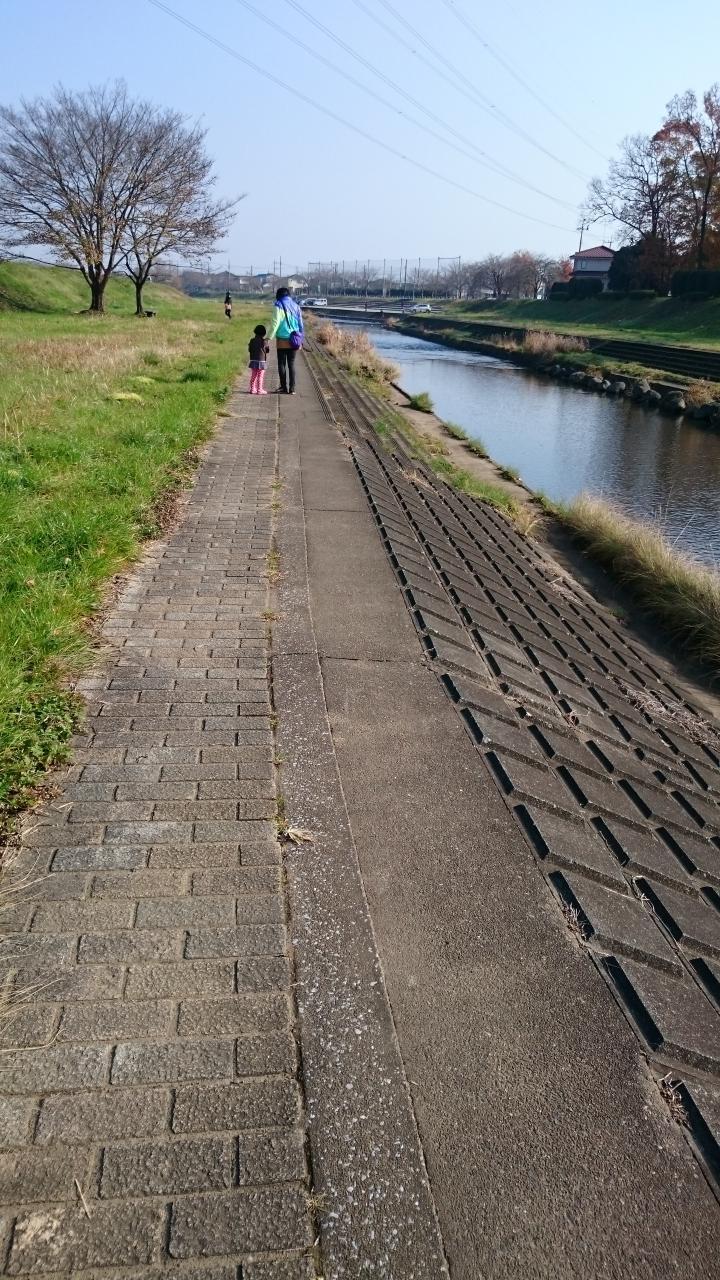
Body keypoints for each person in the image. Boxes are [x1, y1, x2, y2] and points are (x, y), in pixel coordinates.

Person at [268, 286, 303, 394]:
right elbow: (301, 325)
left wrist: (268, 337)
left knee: (281, 364)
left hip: (282, 339)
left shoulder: (278, 305)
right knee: (291, 364)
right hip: (294, 339)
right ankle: (292, 389)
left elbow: (275, 323)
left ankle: (283, 387)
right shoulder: (296, 306)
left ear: (278, 295)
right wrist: (301, 340)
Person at [248, 324, 269, 395]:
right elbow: (267, 350)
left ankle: (252, 389)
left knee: (253, 375)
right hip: (262, 361)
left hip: (253, 360)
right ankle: (259, 390)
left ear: (255, 332)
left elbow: (249, 349)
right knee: (260, 376)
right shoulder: (264, 341)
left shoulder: (252, 340)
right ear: (264, 333)